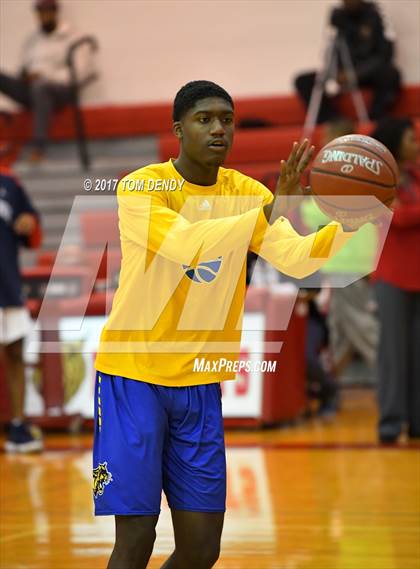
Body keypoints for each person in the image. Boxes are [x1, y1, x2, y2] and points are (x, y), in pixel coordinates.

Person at [92, 80, 362, 569]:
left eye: (227, 119)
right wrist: (267, 209)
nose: (219, 129)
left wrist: (347, 222)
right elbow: (186, 244)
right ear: (178, 129)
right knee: (135, 538)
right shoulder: (140, 187)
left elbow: (296, 260)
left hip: (198, 383)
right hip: (133, 378)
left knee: (201, 548)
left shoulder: (247, 192)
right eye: (204, 119)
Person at [301, 119, 379, 381]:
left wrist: (305, 202)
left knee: (360, 325)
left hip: (346, 260)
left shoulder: (335, 174)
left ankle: (394, 377)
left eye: (327, 138)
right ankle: (332, 387)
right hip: (355, 257)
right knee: (339, 327)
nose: (322, 144)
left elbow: (316, 214)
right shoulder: (364, 173)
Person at [370, 117, 420, 443]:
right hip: (392, 276)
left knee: (417, 354)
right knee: (393, 354)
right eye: (411, 138)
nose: (416, 143)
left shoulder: (415, 175)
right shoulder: (378, 180)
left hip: (417, 274)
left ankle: (417, 422)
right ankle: (390, 422)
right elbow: (396, 217)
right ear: (394, 142)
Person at [0, 0, 90, 162]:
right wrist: (26, 75)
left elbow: (79, 72)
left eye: (47, 11)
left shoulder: (73, 37)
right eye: (40, 12)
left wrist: (44, 76)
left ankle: (39, 146)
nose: (43, 16)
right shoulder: (33, 40)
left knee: (40, 87)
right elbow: (23, 67)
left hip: (62, 91)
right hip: (33, 89)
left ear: (55, 12)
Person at [294, 0, 401, 123]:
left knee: (391, 74)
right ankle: (333, 120)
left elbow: (385, 56)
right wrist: (334, 72)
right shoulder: (337, 16)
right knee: (303, 81)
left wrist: (355, 74)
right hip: (340, 73)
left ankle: (376, 118)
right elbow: (330, 49)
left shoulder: (376, 14)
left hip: (366, 73)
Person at [0, 152, 43, 452]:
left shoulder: (9, 181)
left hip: (7, 280)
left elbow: (31, 225)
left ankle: (18, 426)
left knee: (15, 352)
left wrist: (29, 223)